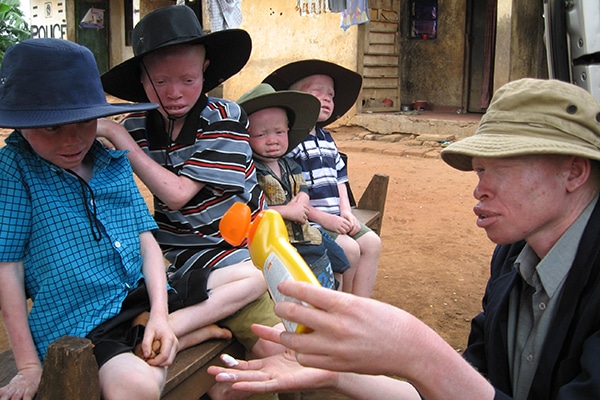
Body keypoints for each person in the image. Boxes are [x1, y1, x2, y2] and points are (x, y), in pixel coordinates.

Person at [207, 78, 600, 399]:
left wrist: (418, 351)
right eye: (480, 171)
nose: (480, 190)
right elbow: (477, 387)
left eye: (503, 168)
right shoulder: (514, 258)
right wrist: (338, 375)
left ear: (573, 172)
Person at [98, 4, 286, 370]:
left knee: (275, 343)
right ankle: (186, 327)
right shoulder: (136, 124)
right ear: (141, 77)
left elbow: (178, 194)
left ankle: (175, 324)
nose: (174, 93)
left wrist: (120, 138)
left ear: (205, 69)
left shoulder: (225, 117)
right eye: (161, 81)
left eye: (187, 79)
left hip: (234, 256)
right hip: (176, 263)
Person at [0, 38, 179, 400]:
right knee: (135, 388)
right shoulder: (15, 168)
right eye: (52, 127)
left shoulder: (110, 161)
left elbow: (145, 239)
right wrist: (29, 366)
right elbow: (8, 266)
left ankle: (165, 326)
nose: (72, 139)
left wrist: (160, 312)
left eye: (84, 122)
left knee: (247, 279)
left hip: (142, 296)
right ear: (21, 123)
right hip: (84, 323)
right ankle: (172, 332)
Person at [263, 59, 381, 297]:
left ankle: (361, 304)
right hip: (310, 222)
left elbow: (340, 179)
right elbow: (293, 193)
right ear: (297, 99)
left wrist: (346, 211)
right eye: (318, 92)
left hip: (337, 217)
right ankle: (343, 308)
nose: (327, 98)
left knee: (371, 243)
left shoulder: (327, 139)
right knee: (349, 249)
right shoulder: (290, 142)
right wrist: (325, 219)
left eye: (331, 94)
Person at [236, 83, 351, 290]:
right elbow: (251, 210)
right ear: (246, 136)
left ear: (288, 130)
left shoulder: (290, 165)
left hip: (307, 236)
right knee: (305, 286)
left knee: (340, 262)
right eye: (261, 135)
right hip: (280, 245)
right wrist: (288, 211)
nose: (272, 140)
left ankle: (337, 307)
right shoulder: (250, 171)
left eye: (279, 132)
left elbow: (302, 189)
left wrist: (303, 200)